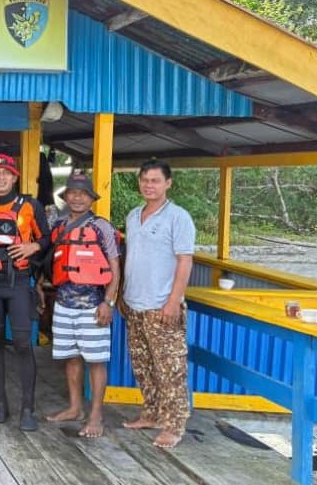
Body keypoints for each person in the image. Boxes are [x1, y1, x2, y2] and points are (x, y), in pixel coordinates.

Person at [0, 153, 50, 431]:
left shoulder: (30, 206)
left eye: (7, 173)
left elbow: (47, 238)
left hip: (18, 282)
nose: (1, 177)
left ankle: (27, 408)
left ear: (15, 176)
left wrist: (33, 248)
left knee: (21, 344)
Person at [122, 160, 195, 449]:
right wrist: (122, 296)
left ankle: (174, 425)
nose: (148, 185)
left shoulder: (178, 217)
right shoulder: (133, 215)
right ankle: (151, 413)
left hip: (161, 306)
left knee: (170, 369)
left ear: (168, 183)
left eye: (154, 180)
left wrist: (173, 301)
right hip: (134, 304)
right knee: (144, 366)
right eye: (144, 180)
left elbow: (185, 260)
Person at [43, 172, 120, 438]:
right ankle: (75, 408)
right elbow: (49, 260)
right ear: (66, 197)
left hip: (93, 305)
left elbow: (115, 268)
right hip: (64, 303)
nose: (77, 197)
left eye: (83, 193)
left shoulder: (102, 227)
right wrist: (40, 288)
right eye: (72, 193)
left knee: (96, 361)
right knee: (71, 358)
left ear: (90, 198)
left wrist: (108, 302)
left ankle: (96, 415)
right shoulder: (58, 224)